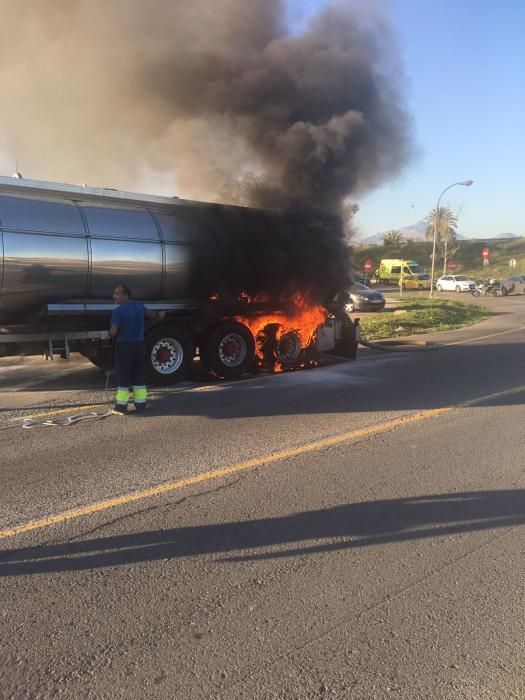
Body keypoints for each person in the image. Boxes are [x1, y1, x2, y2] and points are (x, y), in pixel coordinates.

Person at [109, 285, 151, 415]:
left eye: (118, 294)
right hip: (139, 345)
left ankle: (121, 407)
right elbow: (151, 314)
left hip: (125, 346)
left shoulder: (118, 312)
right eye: (114, 294)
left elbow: (114, 332)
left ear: (126, 295)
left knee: (123, 376)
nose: (114, 296)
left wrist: (109, 333)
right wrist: (160, 314)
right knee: (139, 374)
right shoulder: (139, 306)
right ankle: (141, 403)